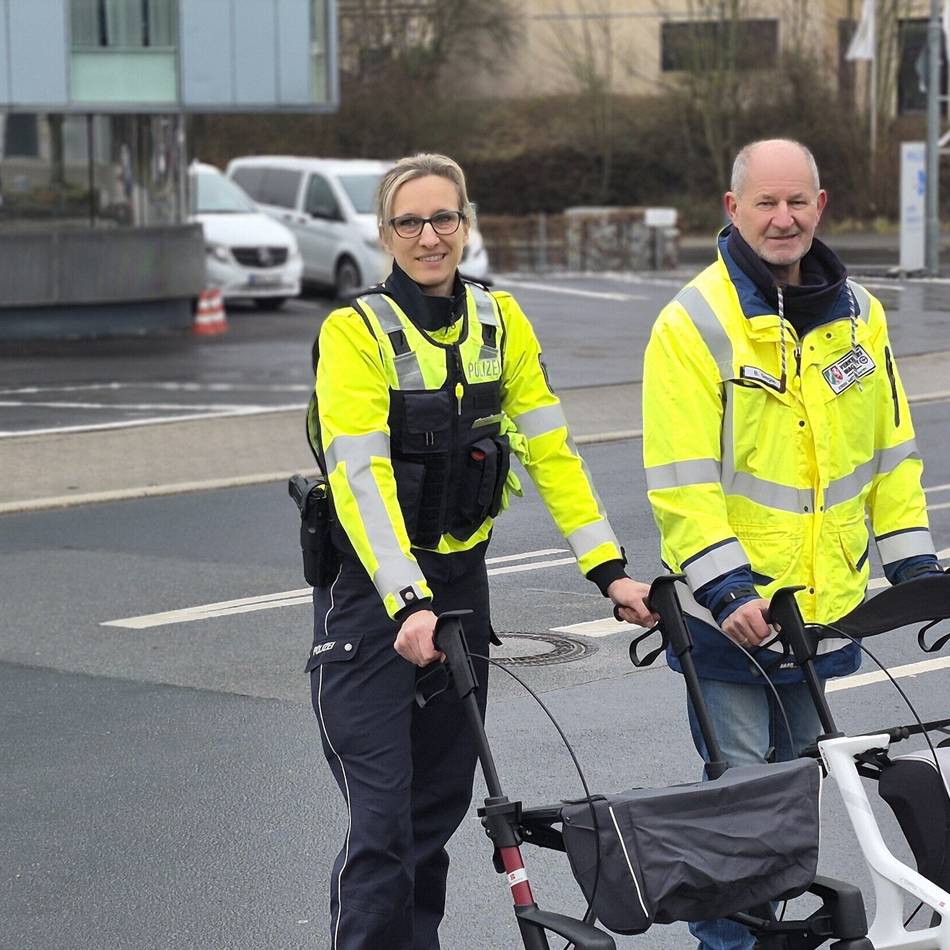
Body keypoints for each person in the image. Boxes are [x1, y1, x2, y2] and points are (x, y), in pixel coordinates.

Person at [306, 152, 655, 950]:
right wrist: (407, 599)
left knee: (432, 817)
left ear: (466, 222)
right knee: (383, 823)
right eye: (410, 222)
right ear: (385, 232)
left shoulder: (501, 320)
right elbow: (360, 478)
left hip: (461, 590)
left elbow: (551, 451)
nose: (429, 237)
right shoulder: (353, 332)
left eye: (444, 219)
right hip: (372, 601)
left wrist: (608, 569)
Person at [641, 138, 943, 950]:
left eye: (797, 202)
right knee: (742, 812)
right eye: (766, 204)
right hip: (731, 623)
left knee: (800, 801)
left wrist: (916, 572)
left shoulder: (861, 316)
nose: (783, 219)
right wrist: (727, 590)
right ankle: (730, 946)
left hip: (825, 616)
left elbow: (890, 458)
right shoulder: (693, 322)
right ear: (733, 210)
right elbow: (682, 481)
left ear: (822, 205)